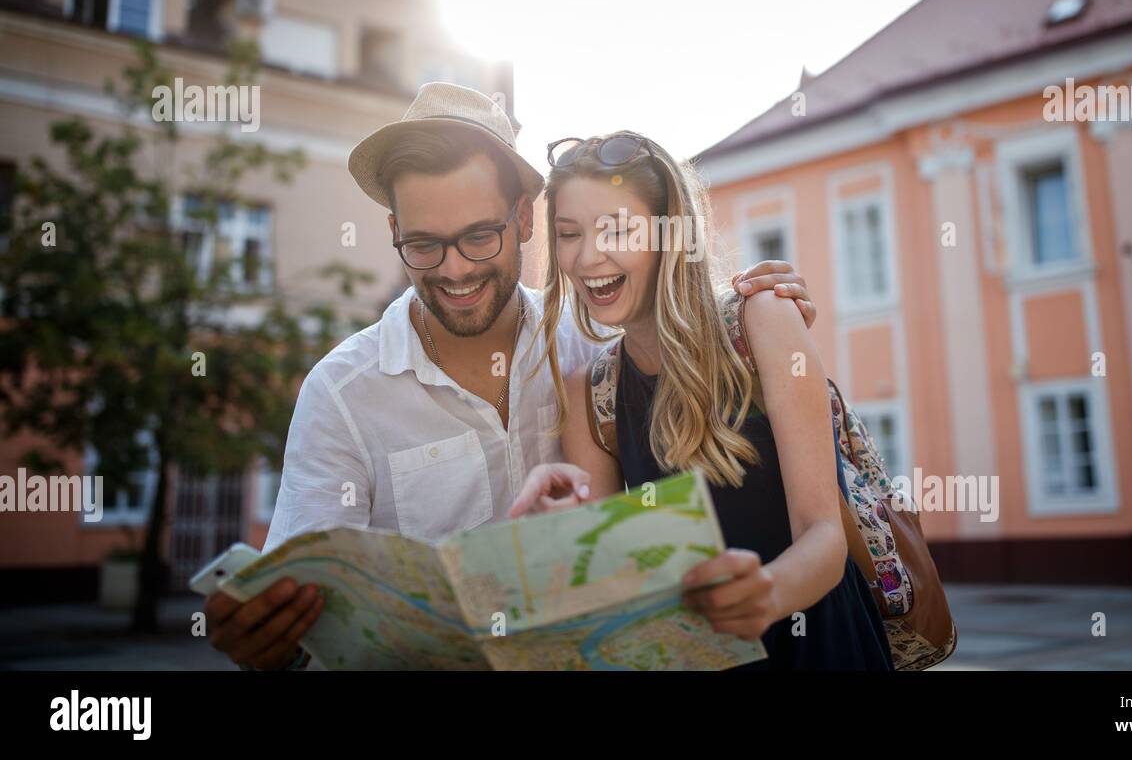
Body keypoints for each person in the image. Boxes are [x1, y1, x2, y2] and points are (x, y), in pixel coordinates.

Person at [204, 84, 819, 670]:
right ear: (394, 233)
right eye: (424, 244)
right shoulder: (341, 394)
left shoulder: (596, 349)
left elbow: (676, 327)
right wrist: (268, 644)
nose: (454, 270)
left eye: (479, 237)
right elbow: (301, 609)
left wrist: (747, 315)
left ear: (524, 219)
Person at [511, 131, 893, 670]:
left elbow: (824, 536)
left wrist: (767, 594)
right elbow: (612, 579)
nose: (588, 256)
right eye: (568, 233)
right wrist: (569, 531)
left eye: (617, 229)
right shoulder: (587, 391)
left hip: (819, 646)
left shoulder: (763, 322)